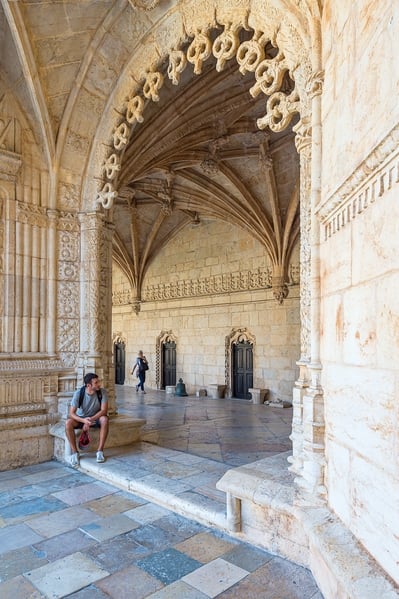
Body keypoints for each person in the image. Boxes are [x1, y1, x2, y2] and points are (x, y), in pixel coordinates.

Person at [65, 372, 109, 468]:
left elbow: (103, 410)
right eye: (96, 383)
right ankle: (74, 453)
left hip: (95, 418)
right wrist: (83, 421)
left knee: (105, 420)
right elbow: (71, 413)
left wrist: (90, 420)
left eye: (98, 382)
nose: (99, 384)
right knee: (68, 423)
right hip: (81, 419)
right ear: (89, 385)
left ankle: (100, 451)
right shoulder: (79, 393)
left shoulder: (102, 392)